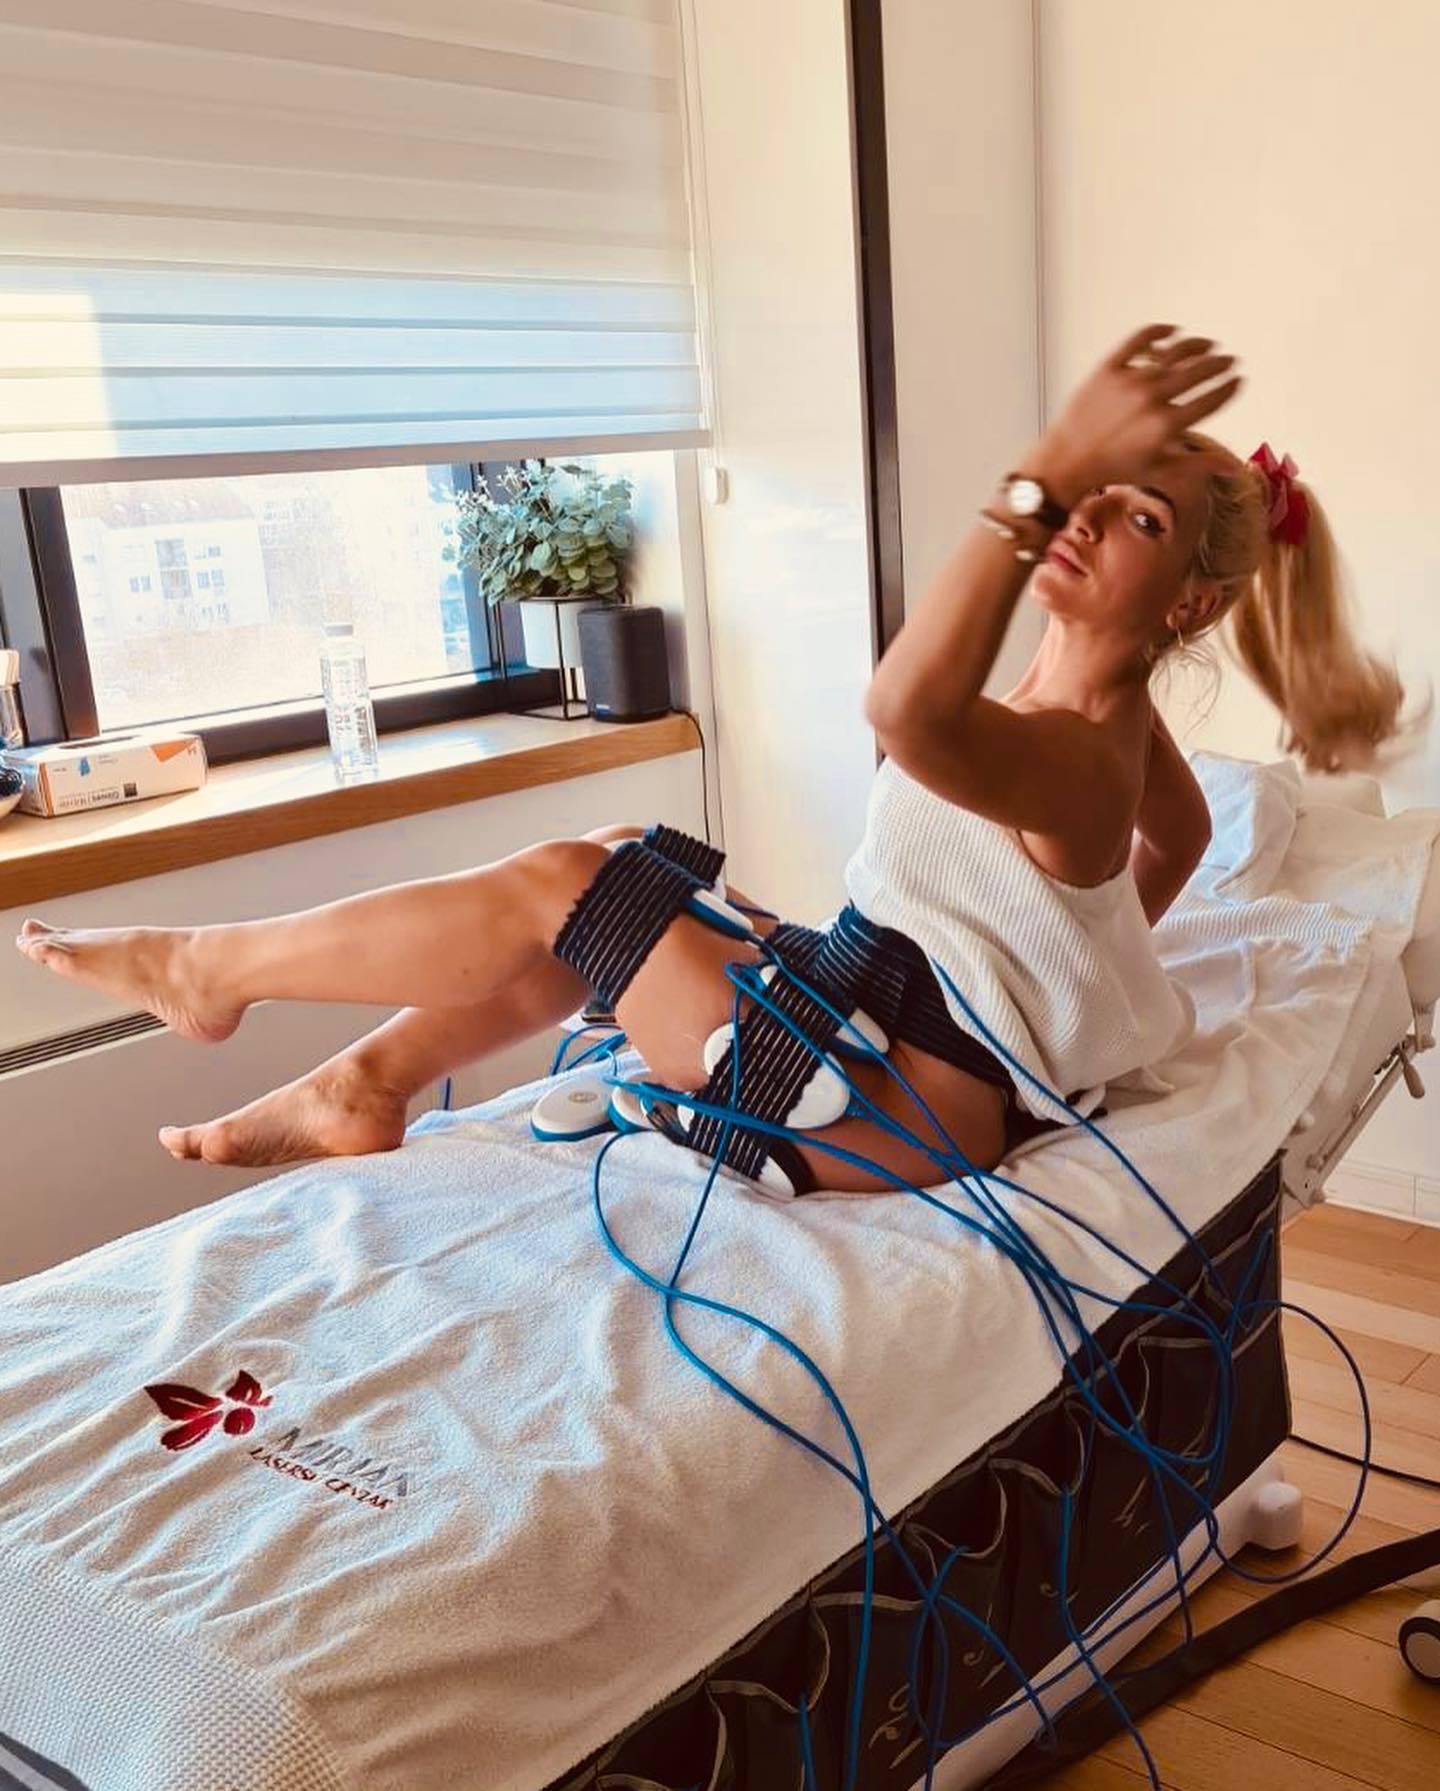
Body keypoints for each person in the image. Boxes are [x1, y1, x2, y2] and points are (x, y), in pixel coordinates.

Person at [14, 326, 1406, 1196]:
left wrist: (1035, 478)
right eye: (1091, 498)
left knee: (567, 883)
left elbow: (904, 710)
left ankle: (213, 973)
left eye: (1140, 520)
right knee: (630, 866)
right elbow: (1175, 845)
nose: (1085, 523)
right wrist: (1064, 972)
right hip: (878, 1027)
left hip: (884, 1104)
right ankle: (361, 1087)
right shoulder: (1113, 726)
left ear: (1193, 605)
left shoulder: (1071, 749)